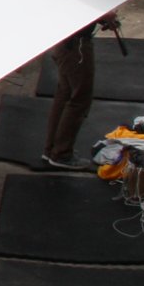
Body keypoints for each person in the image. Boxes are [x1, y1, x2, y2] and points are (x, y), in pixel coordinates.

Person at [41, 11, 121, 170]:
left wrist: (101, 18)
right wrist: (105, 15)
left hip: (65, 43)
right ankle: (61, 154)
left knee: (65, 94)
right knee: (79, 99)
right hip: (75, 47)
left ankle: (52, 150)